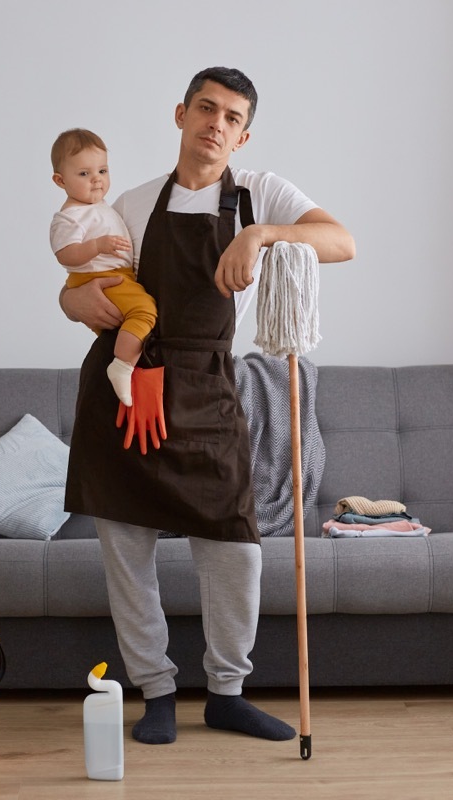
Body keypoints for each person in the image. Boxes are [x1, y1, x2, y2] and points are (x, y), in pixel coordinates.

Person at [62, 67, 355, 746]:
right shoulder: (132, 205)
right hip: (125, 384)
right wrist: (72, 301)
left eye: (230, 117)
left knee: (234, 550)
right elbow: (81, 286)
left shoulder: (261, 195)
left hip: (207, 389)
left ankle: (226, 691)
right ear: (180, 114)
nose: (215, 124)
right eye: (205, 108)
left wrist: (261, 236)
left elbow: (342, 241)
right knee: (126, 551)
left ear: (243, 134)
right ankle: (156, 691)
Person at [50, 128, 156, 407]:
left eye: (103, 170)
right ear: (60, 180)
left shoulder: (99, 206)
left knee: (119, 330)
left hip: (113, 276)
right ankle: (121, 367)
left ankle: (124, 365)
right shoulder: (70, 216)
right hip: (100, 278)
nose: (96, 179)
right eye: (84, 174)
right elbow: (65, 254)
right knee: (145, 311)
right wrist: (97, 246)